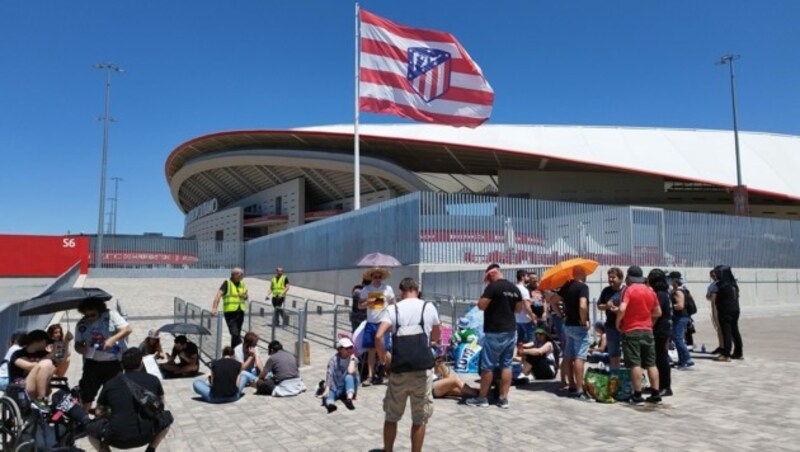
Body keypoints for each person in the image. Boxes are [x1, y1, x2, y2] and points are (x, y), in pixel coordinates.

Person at [375, 277, 441, 452]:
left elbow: (379, 336)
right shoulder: (428, 307)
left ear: (401, 291)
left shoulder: (393, 309)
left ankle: (388, 450)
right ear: (417, 290)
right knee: (419, 419)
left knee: (392, 416)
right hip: (422, 370)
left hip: (399, 370)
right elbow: (436, 337)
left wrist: (383, 360)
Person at [86, 348, 173, 452]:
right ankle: (151, 449)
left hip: (117, 439)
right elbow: (161, 405)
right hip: (147, 434)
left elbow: (99, 412)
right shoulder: (153, 379)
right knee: (167, 418)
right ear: (141, 363)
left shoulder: (110, 384)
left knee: (91, 431)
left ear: (122, 365)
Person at [466, 264, 521, 409]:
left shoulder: (493, 287)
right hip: (510, 330)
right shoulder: (514, 288)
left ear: (491, 275)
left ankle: (482, 398)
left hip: (495, 331)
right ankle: (503, 399)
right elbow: (518, 309)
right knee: (507, 364)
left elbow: (481, 306)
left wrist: (483, 299)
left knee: (488, 366)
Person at [74, 299, 132, 411]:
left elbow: (128, 329)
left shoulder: (111, 315)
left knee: (114, 394)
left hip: (113, 363)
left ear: (99, 310)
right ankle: (84, 420)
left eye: (92, 314)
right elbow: (77, 345)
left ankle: (111, 419)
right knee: (86, 394)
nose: (89, 317)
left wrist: (112, 339)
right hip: (92, 364)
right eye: (86, 315)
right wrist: (81, 349)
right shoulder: (81, 324)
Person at [616, 265, 662, 406]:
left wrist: (618, 322)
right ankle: (655, 393)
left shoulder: (628, 290)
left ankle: (637, 394)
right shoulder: (650, 291)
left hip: (631, 330)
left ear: (628, 277)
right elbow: (658, 312)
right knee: (651, 363)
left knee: (635, 363)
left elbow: (623, 308)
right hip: (647, 330)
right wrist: (649, 322)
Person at [546, 267, 591, 401]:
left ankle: (571, 384)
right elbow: (583, 306)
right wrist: (584, 321)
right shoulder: (583, 287)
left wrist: (561, 316)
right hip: (578, 326)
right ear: (581, 274)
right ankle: (579, 389)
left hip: (568, 325)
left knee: (568, 355)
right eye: (585, 272)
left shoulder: (567, 286)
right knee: (579, 357)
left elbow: (552, 301)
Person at [358, 266, 395, 386]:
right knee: (371, 351)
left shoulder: (387, 289)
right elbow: (359, 305)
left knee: (384, 350)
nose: (377, 279)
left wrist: (393, 319)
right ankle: (370, 376)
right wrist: (368, 302)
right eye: (375, 277)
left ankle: (389, 373)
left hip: (383, 322)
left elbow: (394, 303)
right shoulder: (366, 289)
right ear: (371, 278)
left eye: (379, 277)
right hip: (370, 322)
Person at [8, 330, 56, 405]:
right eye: (46, 342)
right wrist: (50, 356)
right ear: (40, 341)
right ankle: (41, 399)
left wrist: (66, 343)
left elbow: (57, 364)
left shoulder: (42, 354)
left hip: (40, 387)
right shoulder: (18, 354)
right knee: (47, 363)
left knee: (50, 365)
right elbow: (30, 367)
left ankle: (42, 398)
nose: (47, 344)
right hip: (22, 388)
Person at [648, 269, 673, 397]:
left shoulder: (660, 295)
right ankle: (657, 384)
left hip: (661, 330)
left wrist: (649, 326)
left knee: (661, 358)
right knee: (658, 358)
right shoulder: (663, 293)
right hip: (663, 328)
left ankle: (665, 386)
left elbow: (657, 313)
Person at [211, 267, 249, 348]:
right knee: (234, 333)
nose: (242, 275)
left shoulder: (242, 283)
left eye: (242, 274)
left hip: (240, 311)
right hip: (230, 313)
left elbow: (246, 296)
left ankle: (233, 351)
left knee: (237, 333)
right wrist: (214, 308)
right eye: (240, 274)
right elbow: (218, 295)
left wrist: (245, 296)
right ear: (234, 275)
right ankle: (242, 348)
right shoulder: (227, 283)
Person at [596, 267, 624, 375]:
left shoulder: (625, 291)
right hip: (611, 326)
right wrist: (606, 306)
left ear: (620, 278)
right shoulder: (606, 290)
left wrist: (619, 311)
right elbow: (599, 306)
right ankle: (615, 376)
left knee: (629, 354)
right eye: (609, 277)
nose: (611, 280)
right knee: (613, 353)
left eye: (613, 277)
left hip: (624, 326)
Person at [713, 265, 743, 361]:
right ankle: (738, 353)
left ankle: (726, 354)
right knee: (735, 331)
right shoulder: (733, 284)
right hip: (735, 310)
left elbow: (713, 298)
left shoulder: (721, 284)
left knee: (726, 332)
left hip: (725, 311)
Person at [323, 337, 359, 412]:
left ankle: (349, 400)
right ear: (339, 349)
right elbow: (329, 374)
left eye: (351, 347)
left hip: (348, 387)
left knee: (349, 377)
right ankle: (330, 405)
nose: (350, 350)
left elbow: (350, 371)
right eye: (347, 348)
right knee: (330, 393)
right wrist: (327, 388)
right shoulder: (333, 360)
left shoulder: (354, 359)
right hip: (336, 387)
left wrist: (352, 358)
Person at [669, 271, 695, 369]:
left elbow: (680, 306)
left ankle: (687, 359)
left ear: (675, 282)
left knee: (679, 339)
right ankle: (682, 360)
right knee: (677, 338)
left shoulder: (678, 292)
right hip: (682, 317)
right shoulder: (685, 290)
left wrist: (670, 306)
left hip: (681, 317)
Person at [514, 269, 537, 344]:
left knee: (519, 341)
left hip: (517, 319)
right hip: (526, 319)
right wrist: (533, 318)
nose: (528, 278)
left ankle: (518, 354)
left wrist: (530, 300)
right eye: (527, 276)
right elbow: (527, 307)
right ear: (522, 277)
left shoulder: (514, 288)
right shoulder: (524, 290)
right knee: (532, 341)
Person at [706, 269, 725, 354]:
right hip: (714, 307)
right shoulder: (713, 284)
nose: (713, 277)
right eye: (712, 275)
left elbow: (713, 297)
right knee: (718, 328)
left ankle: (724, 346)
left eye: (714, 275)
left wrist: (711, 297)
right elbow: (708, 296)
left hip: (720, 307)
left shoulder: (721, 284)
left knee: (722, 328)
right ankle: (721, 345)